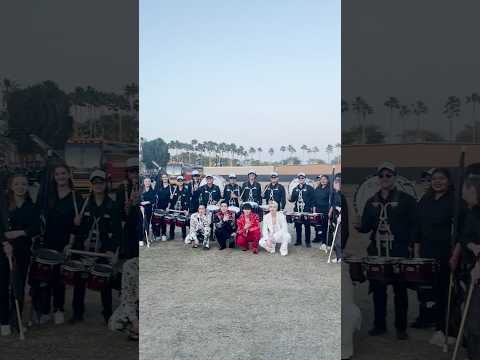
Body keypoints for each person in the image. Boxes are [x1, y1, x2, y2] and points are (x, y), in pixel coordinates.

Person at [354, 162, 416, 340]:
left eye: (389, 175)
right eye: (381, 176)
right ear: (377, 178)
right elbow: (366, 227)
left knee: (400, 290)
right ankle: (379, 325)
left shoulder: (406, 200)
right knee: (378, 289)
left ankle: (400, 327)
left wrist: (411, 246)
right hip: (377, 251)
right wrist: (359, 226)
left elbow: (414, 225)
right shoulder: (371, 201)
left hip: (398, 249)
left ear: (395, 177)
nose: (384, 179)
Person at [34, 162, 83, 325]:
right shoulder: (48, 195)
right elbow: (39, 218)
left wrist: (71, 241)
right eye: (57, 174)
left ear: (68, 175)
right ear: (53, 177)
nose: (60, 177)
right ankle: (46, 309)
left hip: (65, 242)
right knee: (46, 276)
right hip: (48, 240)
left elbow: (77, 226)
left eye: (63, 173)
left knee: (60, 278)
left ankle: (59, 308)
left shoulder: (76, 197)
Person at [70, 169, 121, 324]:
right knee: (79, 283)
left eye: (101, 182)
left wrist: (112, 250)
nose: (98, 185)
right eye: (95, 183)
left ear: (106, 184)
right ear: (91, 185)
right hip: (83, 250)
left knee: (104, 284)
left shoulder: (112, 205)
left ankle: (107, 315)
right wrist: (75, 223)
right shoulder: (83, 204)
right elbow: (76, 230)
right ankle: (77, 313)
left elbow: (117, 231)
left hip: (102, 252)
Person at [412, 168, 454, 342]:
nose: (437, 182)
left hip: (445, 253)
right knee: (427, 290)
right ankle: (428, 318)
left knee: (444, 291)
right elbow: (418, 226)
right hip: (426, 251)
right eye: (434, 179)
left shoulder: (454, 201)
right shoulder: (425, 199)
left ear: (448, 180)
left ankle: (443, 328)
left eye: (442, 178)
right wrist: (416, 250)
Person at [1, 173, 40, 336]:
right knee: (2, 286)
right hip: (3, 249)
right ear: (11, 186)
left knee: (18, 287)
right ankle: (3, 321)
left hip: (23, 250)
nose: (20, 187)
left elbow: (36, 227)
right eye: (17, 184)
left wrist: (20, 232)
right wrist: (4, 242)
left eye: (23, 184)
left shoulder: (31, 206)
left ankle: (16, 320)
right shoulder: (3, 204)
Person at [449, 173, 480, 359]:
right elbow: (465, 236)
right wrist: (470, 246)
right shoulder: (471, 211)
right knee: (470, 320)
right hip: (471, 269)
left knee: (475, 324)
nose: (462, 193)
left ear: (473, 189)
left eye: (465, 189)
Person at [109, 256, 138, 341]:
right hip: (137, 303)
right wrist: (134, 320)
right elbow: (126, 295)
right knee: (114, 323)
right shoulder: (130, 265)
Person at [116, 158, 140, 259]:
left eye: (137, 171)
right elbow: (118, 209)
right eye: (131, 171)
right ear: (128, 173)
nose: (134, 174)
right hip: (128, 226)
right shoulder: (123, 188)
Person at [289, 172, 315, 248]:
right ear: (298, 179)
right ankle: (298, 241)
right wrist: (289, 199)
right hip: (297, 211)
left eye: (302, 178)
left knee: (307, 227)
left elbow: (313, 199)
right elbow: (293, 199)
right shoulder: (295, 189)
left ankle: (307, 242)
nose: (301, 179)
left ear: (305, 179)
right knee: (298, 226)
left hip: (306, 210)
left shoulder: (310, 188)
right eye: (300, 178)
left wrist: (312, 209)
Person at [170, 176, 191, 241]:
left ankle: (184, 236)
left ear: (183, 181)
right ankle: (171, 236)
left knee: (183, 223)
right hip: (174, 209)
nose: (180, 182)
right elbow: (171, 201)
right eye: (178, 181)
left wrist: (186, 209)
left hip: (182, 209)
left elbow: (188, 201)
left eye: (181, 180)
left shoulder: (186, 190)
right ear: (177, 182)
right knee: (172, 222)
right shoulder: (174, 190)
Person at [154, 173, 175, 241]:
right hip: (158, 207)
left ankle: (163, 234)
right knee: (158, 222)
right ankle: (157, 235)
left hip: (166, 207)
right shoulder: (158, 187)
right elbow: (155, 196)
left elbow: (171, 199)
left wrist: (168, 207)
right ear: (161, 178)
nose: (164, 178)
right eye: (163, 177)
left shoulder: (171, 188)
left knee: (164, 221)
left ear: (168, 178)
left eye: (166, 177)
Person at [313, 174, 331, 247]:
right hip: (317, 210)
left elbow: (331, 202)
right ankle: (320, 238)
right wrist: (314, 211)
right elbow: (314, 200)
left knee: (324, 227)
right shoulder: (317, 189)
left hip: (326, 211)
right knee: (317, 226)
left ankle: (324, 242)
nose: (323, 180)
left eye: (325, 179)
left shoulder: (330, 189)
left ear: (327, 180)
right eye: (321, 179)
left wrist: (330, 211)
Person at [331, 176, 344, 263]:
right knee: (336, 238)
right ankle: (339, 257)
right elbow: (334, 204)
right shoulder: (335, 193)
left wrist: (341, 214)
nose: (334, 185)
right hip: (337, 217)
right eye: (334, 183)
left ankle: (340, 257)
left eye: (336, 183)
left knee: (338, 240)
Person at [140, 177, 156, 243]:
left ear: (150, 183)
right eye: (146, 181)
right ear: (144, 182)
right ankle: (140, 239)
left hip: (148, 209)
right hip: (141, 209)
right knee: (141, 224)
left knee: (147, 224)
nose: (147, 183)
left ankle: (146, 238)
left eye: (148, 181)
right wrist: (140, 205)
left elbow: (154, 200)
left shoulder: (152, 191)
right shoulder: (140, 190)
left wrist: (147, 202)